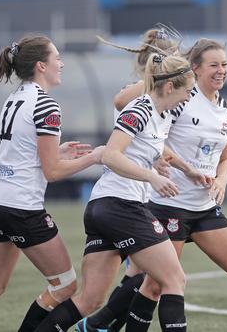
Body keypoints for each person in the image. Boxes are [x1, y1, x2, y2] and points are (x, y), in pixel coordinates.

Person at [80, 39, 227, 332]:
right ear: (195, 69)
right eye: (213, 65)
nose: (221, 71)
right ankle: (101, 323)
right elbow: (126, 105)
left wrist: (222, 181)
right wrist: (165, 73)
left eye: (224, 65)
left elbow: (225, 159)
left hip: (204, 207)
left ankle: (99, 324)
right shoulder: (181, 98)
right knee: (154, 286)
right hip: (168, 205)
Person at [0, 35, 104, 332]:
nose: (62, 63)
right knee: (65, 286)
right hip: (22, 206)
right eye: (57, 57)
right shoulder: (47, 106)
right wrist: (96, 158)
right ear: (42, 65)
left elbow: (27, 152)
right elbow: (52, 172)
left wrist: (59, 150)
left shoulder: (14, 98)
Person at [34, 53, 203, 332]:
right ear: (170, 87)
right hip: (120, 206)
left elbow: (151, 148)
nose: (189, 98)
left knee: (90, 300)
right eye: (188, 91)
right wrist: (151, 176)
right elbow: (111, 155)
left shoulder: (162, 116)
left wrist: (177, 167)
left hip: (106, 209)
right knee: (173, 279)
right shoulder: (140, 109)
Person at [86, 26, 182, 332]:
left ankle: (101, 324)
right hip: (121, 197)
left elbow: (149, 142)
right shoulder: (141, 96)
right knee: (160, 277)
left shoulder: (157, 107)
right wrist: (153, 175)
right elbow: (119, 107)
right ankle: (100, 324)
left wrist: (164, 163)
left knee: (141, 276)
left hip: (130, 197)